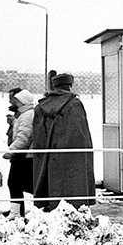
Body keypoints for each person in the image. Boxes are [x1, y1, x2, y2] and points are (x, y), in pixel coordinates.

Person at [32, 73, 96, 211]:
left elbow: (38, 134)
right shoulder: (74, 104)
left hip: (46, 152)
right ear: (69, 85)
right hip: (71, 152)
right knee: (73, 180)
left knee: (48, 176)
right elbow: (80, 133)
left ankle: (48, 203)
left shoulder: (40, 107)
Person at [3, 88, 35, 218]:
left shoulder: (27, 115)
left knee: (15, 182)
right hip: (24, 154)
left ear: (22, 102)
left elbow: (23, 137)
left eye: (16, 100)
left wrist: (11, 151)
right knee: (19, 183)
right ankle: (16, 211)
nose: (13, 103)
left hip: (24, 155)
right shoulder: (24, 114)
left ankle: (16, 212)